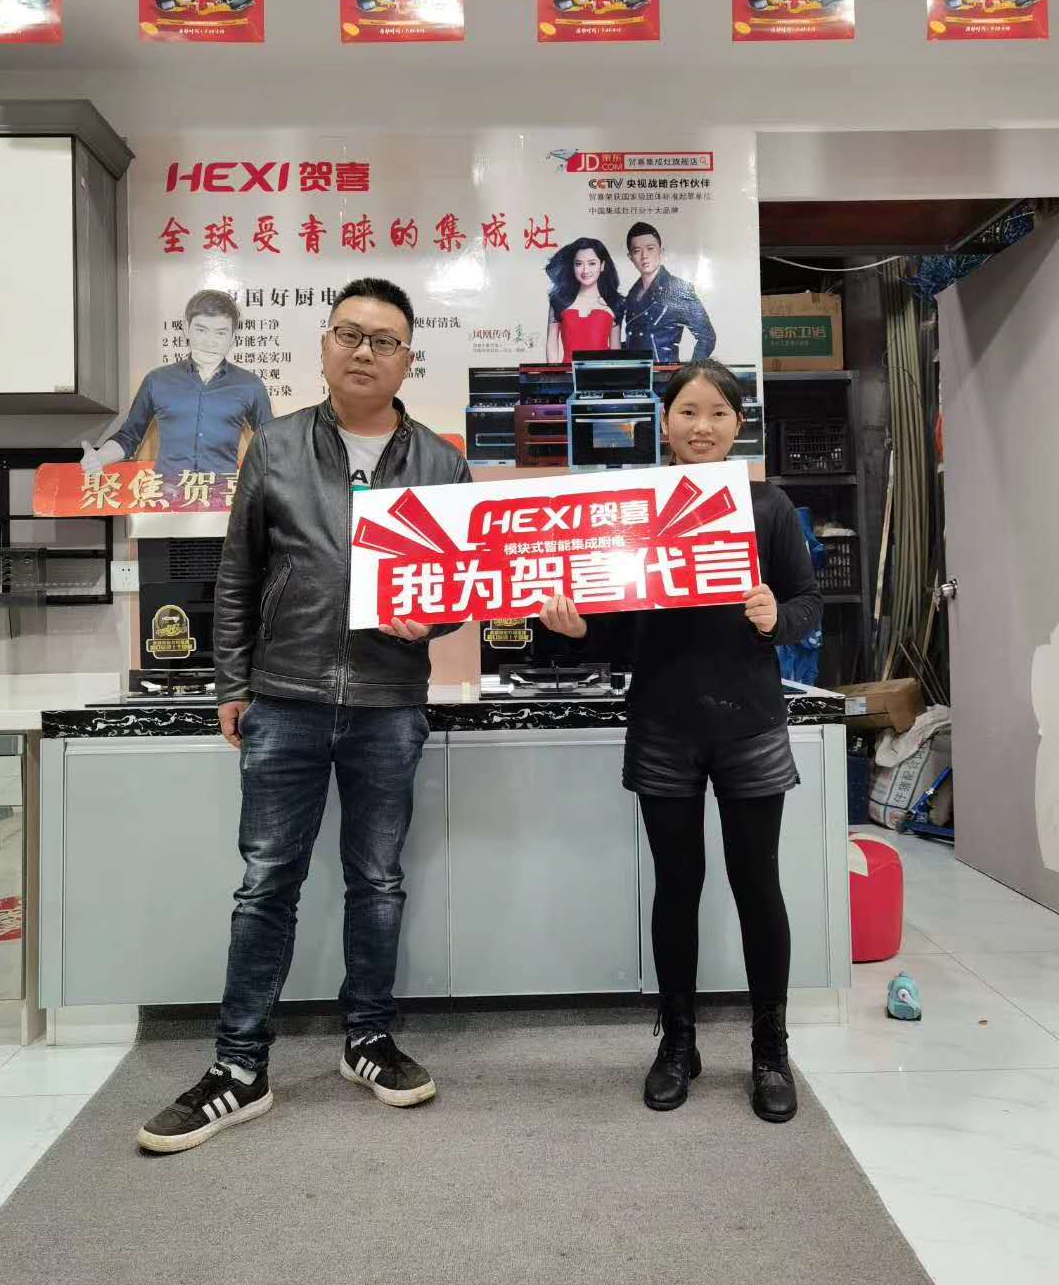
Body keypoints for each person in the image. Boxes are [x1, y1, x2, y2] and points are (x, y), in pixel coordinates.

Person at [137, 278, 471, 1154]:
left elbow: (462, 586)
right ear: (324, 346)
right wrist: (231, 683)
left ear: (407, 360)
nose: (365, 352)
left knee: (379, 880)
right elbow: (238, 574)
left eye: (384, 341)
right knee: (266, 884)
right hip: (284, 698)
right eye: (350, 334)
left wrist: (434, 618)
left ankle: (369, 1041)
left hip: (389, 704)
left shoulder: (442, 463)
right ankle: (239, 1066)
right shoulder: (277, 447)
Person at [539, 360, 820, 1123]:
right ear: (664, 422)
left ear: (739, 425)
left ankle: (770, 1049)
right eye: (688, 411)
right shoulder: (630, 506)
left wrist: (777, 616)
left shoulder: (767, 507)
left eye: (719, 413)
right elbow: (605, 625)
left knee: (758, 885)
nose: (703, 426)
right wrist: (572, 627)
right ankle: (678, 1042)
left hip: (751, 723)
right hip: (663, 723)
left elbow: (806, 602)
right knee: (676, 886)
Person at [80, 289, 273, 493]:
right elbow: (129, 437)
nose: (210, 341)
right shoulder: (157, 380)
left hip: (224, 499)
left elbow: (272, 443)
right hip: (167, 497)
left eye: (221, 333)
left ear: (233, 336)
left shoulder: (250, 385)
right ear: (185, 328)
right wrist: (100, 457)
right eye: (201, 330)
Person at [620, 222, 715, 363]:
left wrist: (690, 372)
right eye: (637, 251)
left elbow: (707, 337)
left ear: (661, 251)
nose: (644, 256)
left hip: (665, 374)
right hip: (635, 373)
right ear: (630, 257)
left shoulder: (677, 288)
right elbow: (636, 339)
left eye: (650, 248)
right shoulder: (632, 294)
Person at [544, 236, 623, 364]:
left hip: (603, 374)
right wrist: (554, 374)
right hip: (567, 374)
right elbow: (551, 343)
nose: (585, 270)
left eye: (592, 263)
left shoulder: (614, 304)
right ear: (572, 266)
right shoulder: (558, 301)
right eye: (579, 264)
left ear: (602, 265)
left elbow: (615, 351)